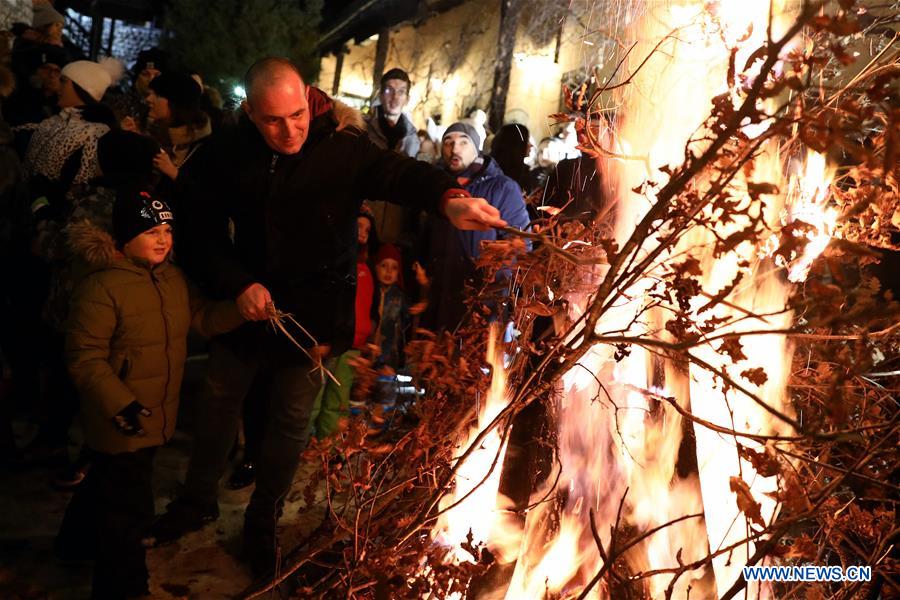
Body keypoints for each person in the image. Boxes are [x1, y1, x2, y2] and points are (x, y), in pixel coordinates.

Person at [145, 57, 506, 578]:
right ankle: (196, 499)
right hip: (245, 304)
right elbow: (196, 232)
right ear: (250, 112)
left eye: (297, 115)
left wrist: (448, 199)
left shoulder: (340, 145)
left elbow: (399, 173)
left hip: (312, 314)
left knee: (292, 422)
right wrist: (236, 284)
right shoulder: (226, 151)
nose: (289, 130)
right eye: (273, 121)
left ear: (308, 100)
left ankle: (262, 519)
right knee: (220, 404)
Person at [57, 191, 244, 598]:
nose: (163, 239)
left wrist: (241, 311)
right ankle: (122, 586)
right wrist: (119, 403)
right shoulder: (103, 286)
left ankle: (73, 544)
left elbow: (201, 318)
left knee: (108, 486)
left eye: (167, 230)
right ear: (124, 237)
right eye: (150, 231)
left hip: (153, 413)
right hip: (120, 416)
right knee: (129, 510)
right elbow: (85, 357)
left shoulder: (171, 278)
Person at [420, 121, 531, 332]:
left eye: (463, 142)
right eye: (448, 142)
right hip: (439, 296)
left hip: (482, 300)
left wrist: (493, 280)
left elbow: (520, 244)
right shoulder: (435, 188)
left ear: (476, 147)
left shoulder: (502, 188)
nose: (454, 149)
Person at [308, 211, 378, 439]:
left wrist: (368, 341)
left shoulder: (367, 270)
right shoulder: (335, 264)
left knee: (338, 398)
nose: (362, 234)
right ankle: (304, 443)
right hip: (328, 343)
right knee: (314, 395)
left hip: (353, 346)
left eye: (367, 230)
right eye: (358, 227)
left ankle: (326, 445)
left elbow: (369, 309)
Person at [366, 67, 420, 244]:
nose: (395, 97)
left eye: (401, 92)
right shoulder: (363, 130)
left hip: (394, 236)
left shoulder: (412, 140)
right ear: (380, 95)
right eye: (389, 90)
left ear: (407, 99)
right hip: (361, 229)